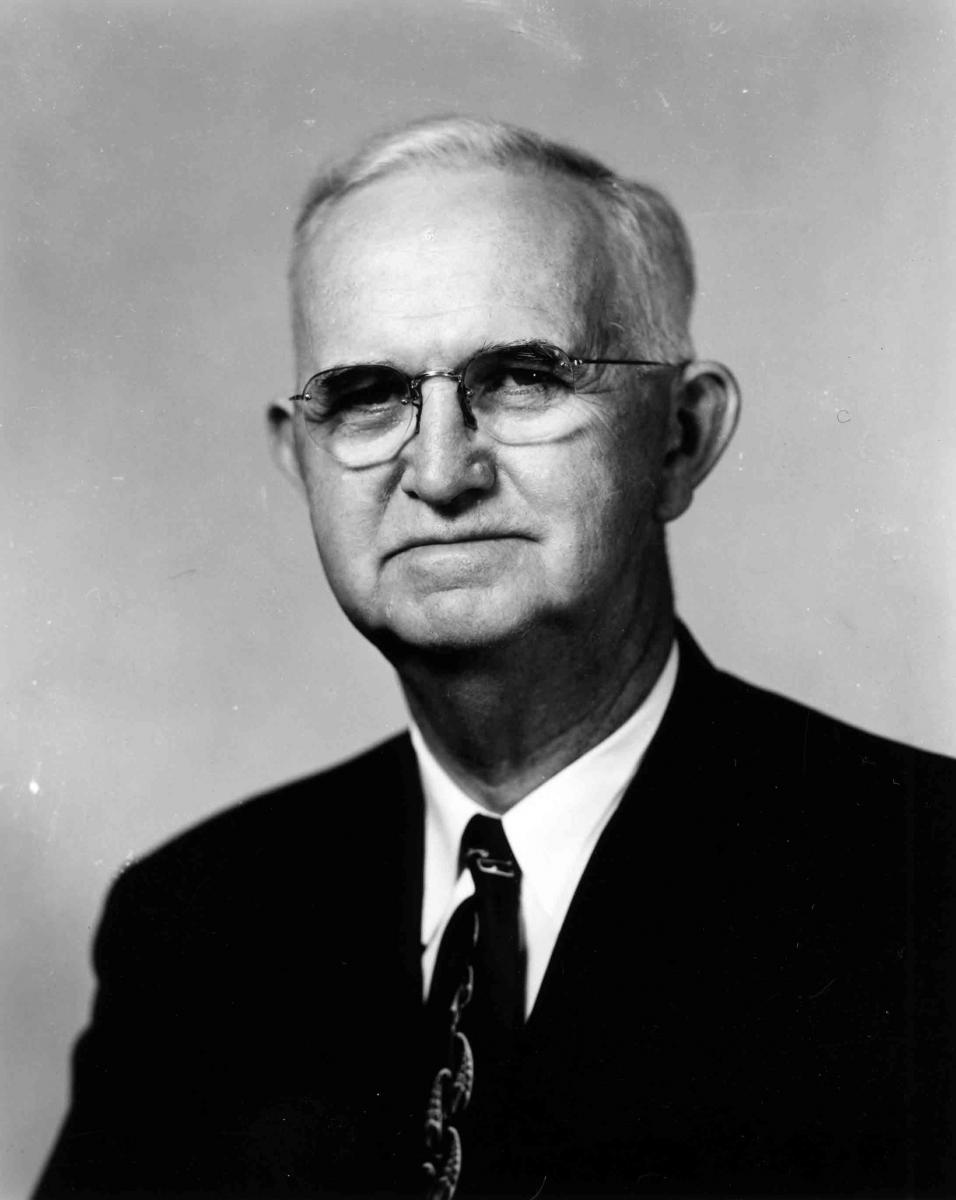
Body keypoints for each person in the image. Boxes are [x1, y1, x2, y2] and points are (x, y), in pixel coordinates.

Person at [34, 116, 954, 1199]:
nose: (437, 470)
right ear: (299, 460)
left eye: (520, 377)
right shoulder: (197, 927)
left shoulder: (919, 886)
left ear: (680, 436)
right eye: (366, 397)